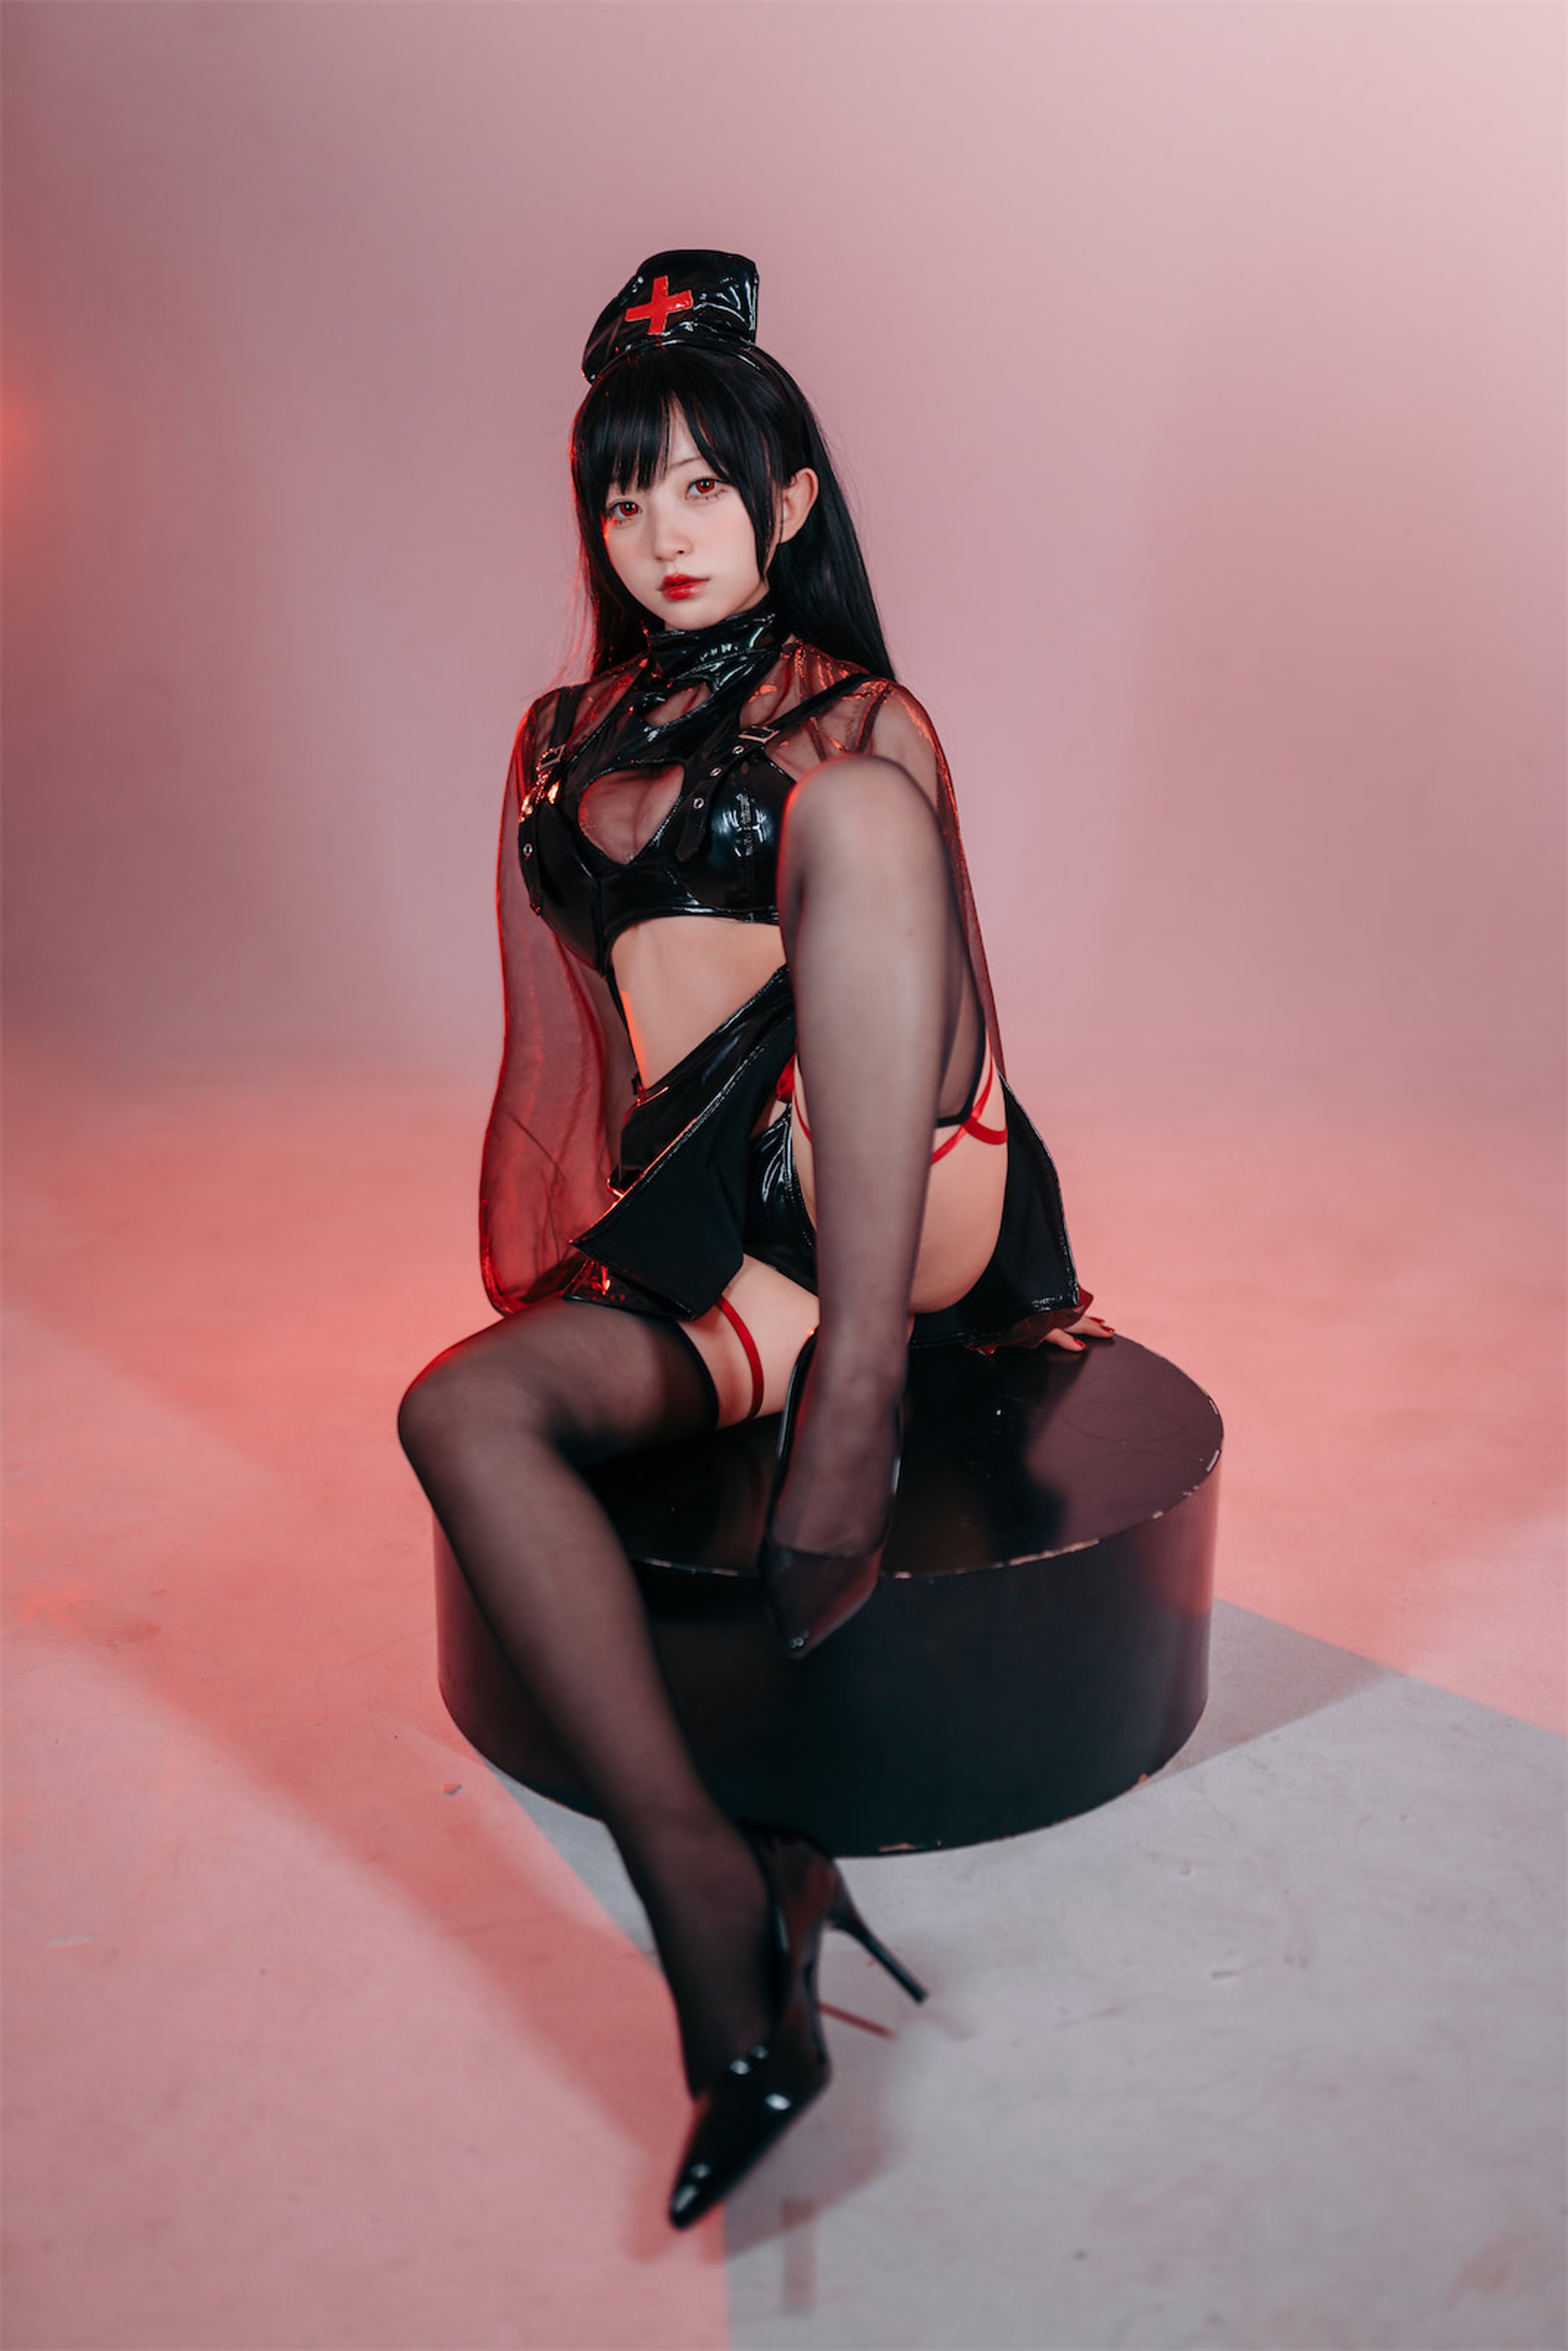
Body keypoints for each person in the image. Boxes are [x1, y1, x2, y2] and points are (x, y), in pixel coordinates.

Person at [398, 251, 1112, 2228]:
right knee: (459, 1413)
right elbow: (576, 1051)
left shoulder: (860, 713)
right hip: (727, 1232)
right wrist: (604, 1260)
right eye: (627, 495)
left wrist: (846, 1345)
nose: (665, 534)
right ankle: (723, 1912)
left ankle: (861, 1396)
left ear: (790, 503)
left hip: (901, 1172)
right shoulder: (558, 736)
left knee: (863, 820)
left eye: (707, 486)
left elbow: (932, 980)